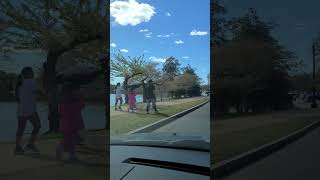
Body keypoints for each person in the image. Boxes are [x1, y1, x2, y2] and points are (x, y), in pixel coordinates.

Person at [15, 67, 41, 155]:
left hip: (21, 110)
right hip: (30, 110)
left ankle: (18, 147)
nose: (33, 73)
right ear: (28, 74)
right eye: (32, 72)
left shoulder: (19, 84)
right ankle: (30, 144)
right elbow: (38, 92)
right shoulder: (32, 82)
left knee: (20, 129)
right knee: (37, 125)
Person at [56, 83, 85, 160]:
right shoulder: (73, 102)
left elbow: (60, 113)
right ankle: (61, 149)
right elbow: (82, 105)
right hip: (72, 124)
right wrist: (80, 96)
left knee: (70, 140)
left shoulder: (63, 103)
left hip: (67, 123)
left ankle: (71, 154)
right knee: (69, 140)